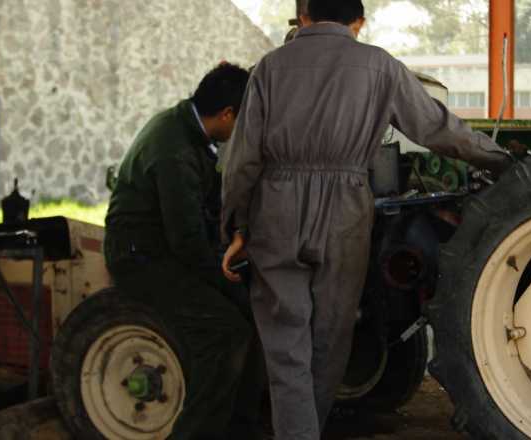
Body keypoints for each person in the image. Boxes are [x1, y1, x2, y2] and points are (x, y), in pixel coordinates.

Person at [218, 0, 512, 438]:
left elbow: (242, 160)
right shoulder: (380, 66)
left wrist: (237, 226)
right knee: (332, 339)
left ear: (302, 17)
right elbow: (439, 129)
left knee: (285, 346)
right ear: (358, 22)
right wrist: (502, 160)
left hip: (276, 207)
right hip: (346, 209)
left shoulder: (269, 67)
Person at [104, 63, 265, 439]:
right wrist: (229, 281)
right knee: (224, 333)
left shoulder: (186, 128)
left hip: (166, 250)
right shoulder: (173, 148)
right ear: (227, 114)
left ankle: (242, 427)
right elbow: (186, 241)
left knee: (251, 315)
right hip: (142, 259)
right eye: (244, 120)